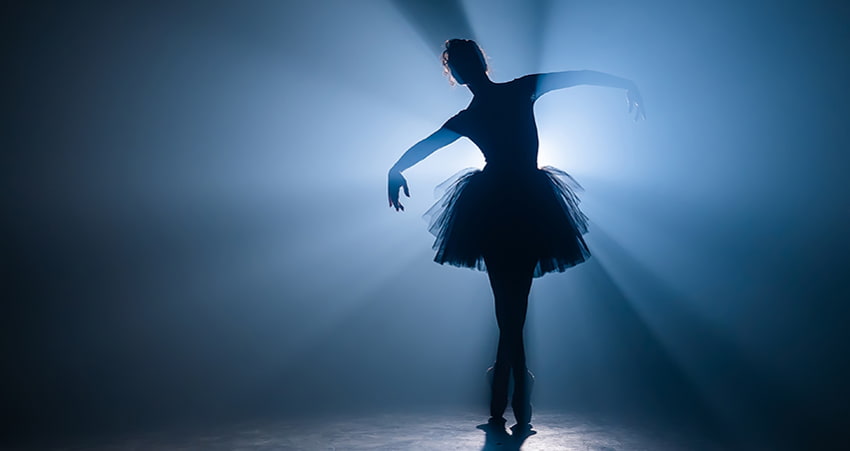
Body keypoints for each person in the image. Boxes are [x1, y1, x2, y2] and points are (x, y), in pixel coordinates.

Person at [387, 39, 645, 435]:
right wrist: (395, 168)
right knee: (509, 306)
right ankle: (515, 392)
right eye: (457, 65)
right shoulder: (489, 105)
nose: (461, 70)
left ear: (468, 68)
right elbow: (428, 145)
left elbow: (573, 78)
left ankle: (507, 391)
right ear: (461, 72)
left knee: (511, 305)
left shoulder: (503, 98)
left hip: (514, 205)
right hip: (505, 206)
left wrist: (624, 82)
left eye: (461, 63)